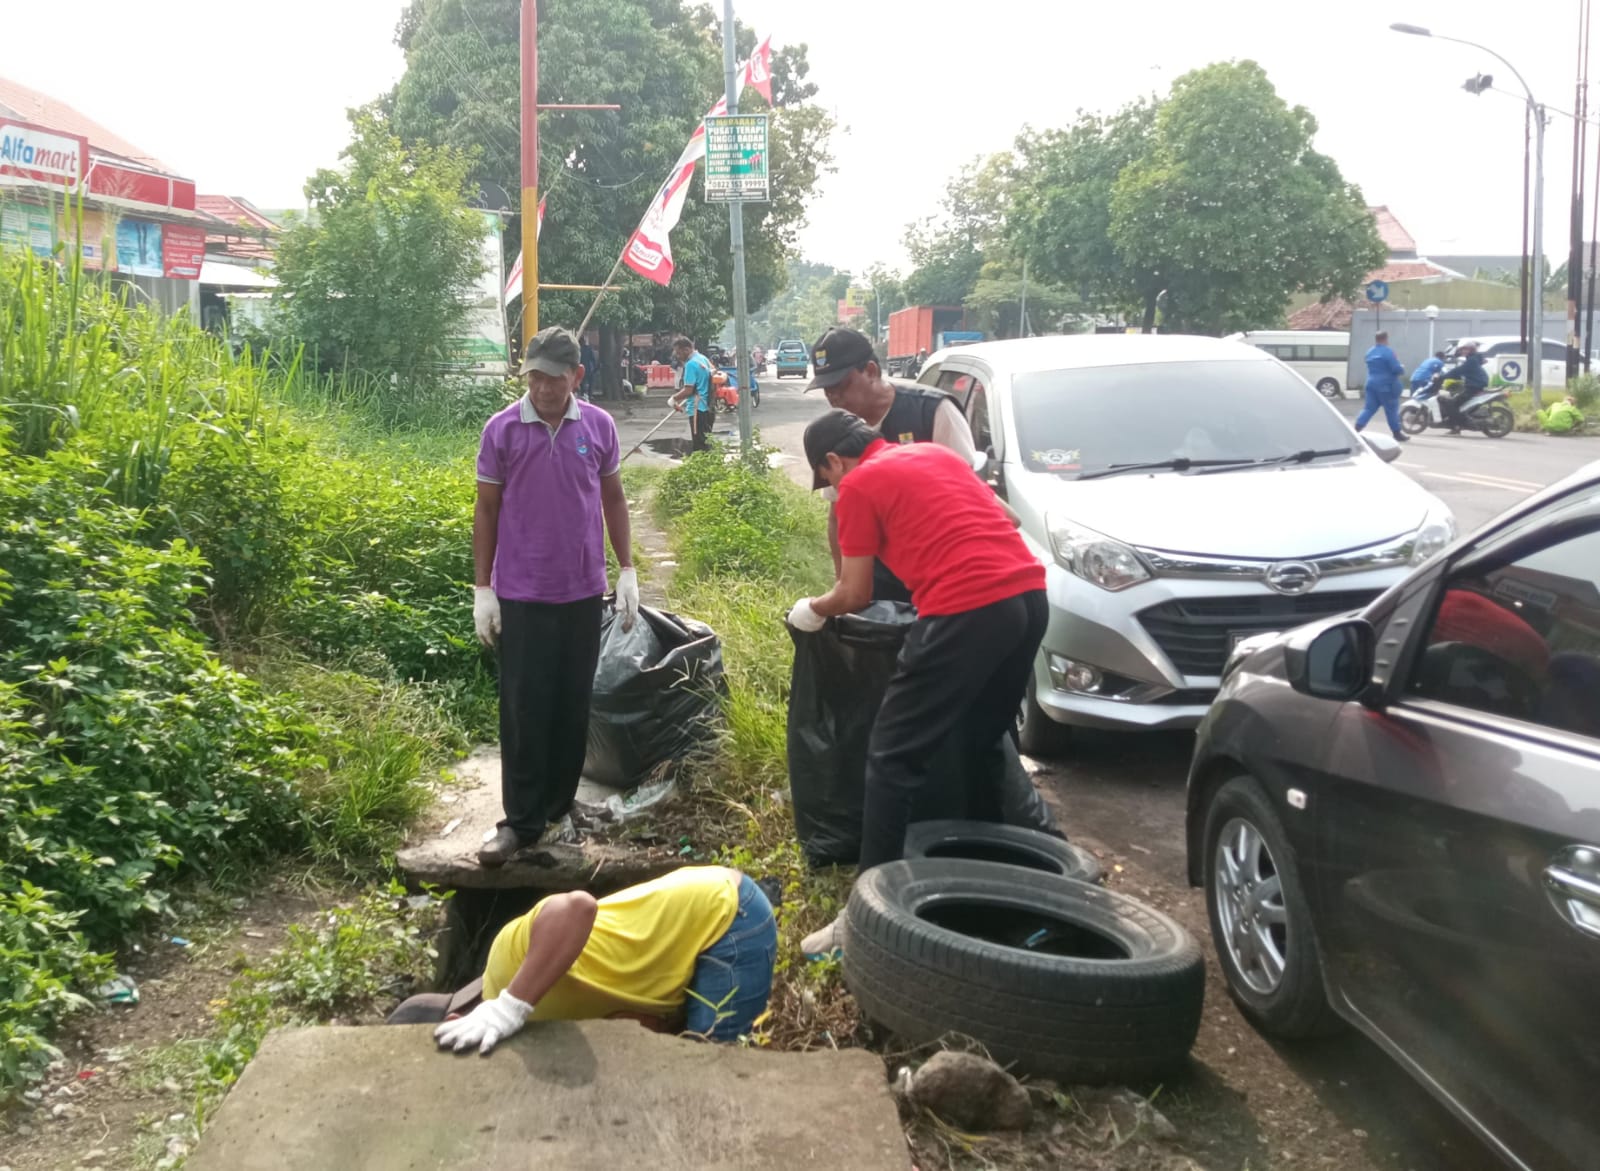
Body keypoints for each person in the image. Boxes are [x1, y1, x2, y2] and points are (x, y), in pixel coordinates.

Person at [788, 410, 1048, 954]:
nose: (832, 490)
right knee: (980, 742)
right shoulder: (932, 455)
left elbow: (854, 593)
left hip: (967, 609)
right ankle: (993, 880)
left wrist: (811, 609)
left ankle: (864, 918)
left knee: (890, 757)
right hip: (1026, 601)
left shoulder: (858, 484)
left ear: (834, 461)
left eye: (826, 477)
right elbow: (1008, 519)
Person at [473, 326, 641, 868]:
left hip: (583, 590)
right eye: (535, 377)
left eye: (554, 377)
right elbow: (487, 511)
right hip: (522, 592)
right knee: (525, 709)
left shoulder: (598, 426)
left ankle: (557, 806)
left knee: (572, 705)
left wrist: (629, 569)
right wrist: (483, 589)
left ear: (576, 376)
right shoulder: (502, 430)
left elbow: (613, 498)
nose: (543, 388)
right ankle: (519, 823)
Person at [429, 866, 777, 1054]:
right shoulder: (543, 1018)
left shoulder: (508, 965)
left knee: (710, 1069)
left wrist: (511, 1005)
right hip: (683, 926)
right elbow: (634, 1022)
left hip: (728, 915)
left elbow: (578, 906)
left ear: (456, 1018)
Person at [805, 327, 1002, 600]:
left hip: (943, 581)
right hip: (877, 581)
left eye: (840, 386)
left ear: (871, 371)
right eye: (827, 389)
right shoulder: (836, 433)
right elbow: (836, 518)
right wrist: (844, 587)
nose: (833, 397)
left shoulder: (932, 411)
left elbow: (974, 500)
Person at [1355, 330, 1408, 442]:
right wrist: (1402, 368)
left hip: (1371, 383)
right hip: (1386, 385)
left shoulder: (1370, 352)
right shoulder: (1388, 352)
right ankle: (1397, 433)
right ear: (1386, 339)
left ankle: (1356, 429)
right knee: (1391, 409)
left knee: (1369, 408)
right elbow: (1395, 368)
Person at [669, 336, 716, 453]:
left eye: (679, 353)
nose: (678, 357)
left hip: (697, 410)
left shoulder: (690, 364)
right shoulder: (703, 358)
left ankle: (702, 469)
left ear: (686, 349)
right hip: (708, 408)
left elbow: (688, 390)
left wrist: (673, 399)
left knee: (699, 446)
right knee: (706, 442)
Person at [1439, 342, 1490, 433]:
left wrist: (1442, 377)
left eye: (1466, 349)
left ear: (1471, 350)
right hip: (1473, 384)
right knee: (1453, 399)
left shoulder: (1472, 360)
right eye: (1463, 349)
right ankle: (1456, 425)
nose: (1463, 351)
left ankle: (1459, 424)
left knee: (1452, 403)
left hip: (1474, 386)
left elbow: (1459, 370)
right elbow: (1461, 372)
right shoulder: (1472, 359)